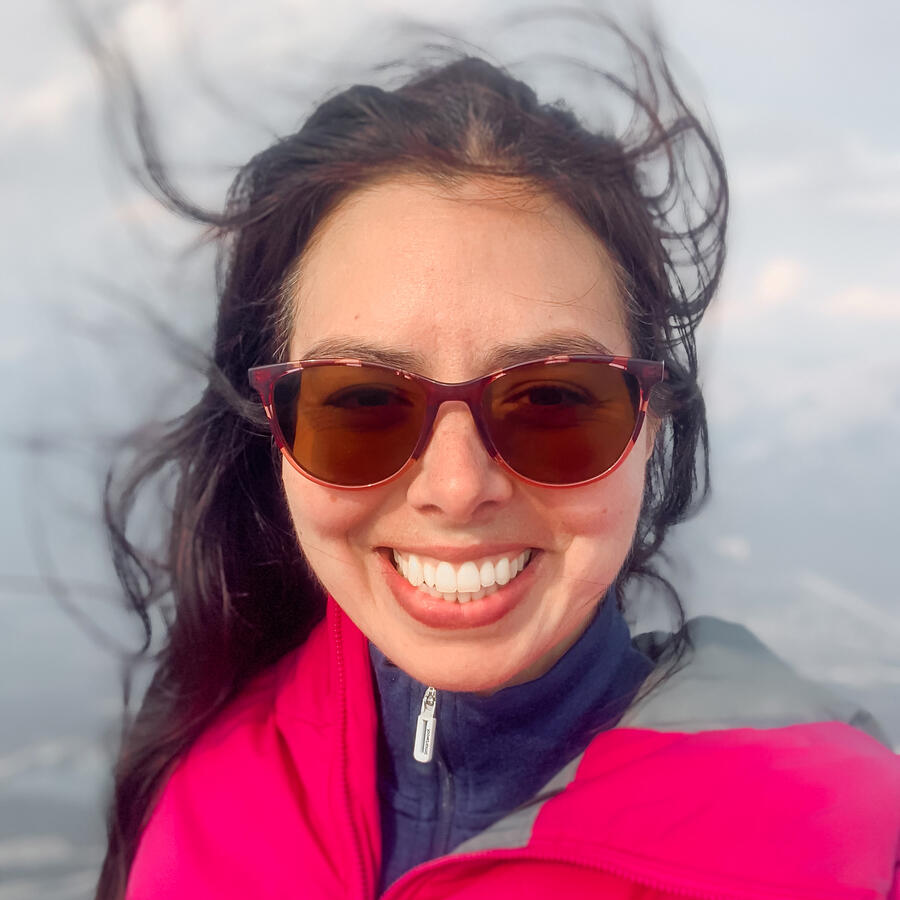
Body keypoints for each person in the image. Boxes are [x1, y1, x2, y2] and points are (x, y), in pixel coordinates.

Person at [93, 13, 900, 900]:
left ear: (651, 427)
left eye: (553, 399)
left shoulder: (836, 860)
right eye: (361, 402)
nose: (456, 486)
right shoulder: (199, 792)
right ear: (275, 433)